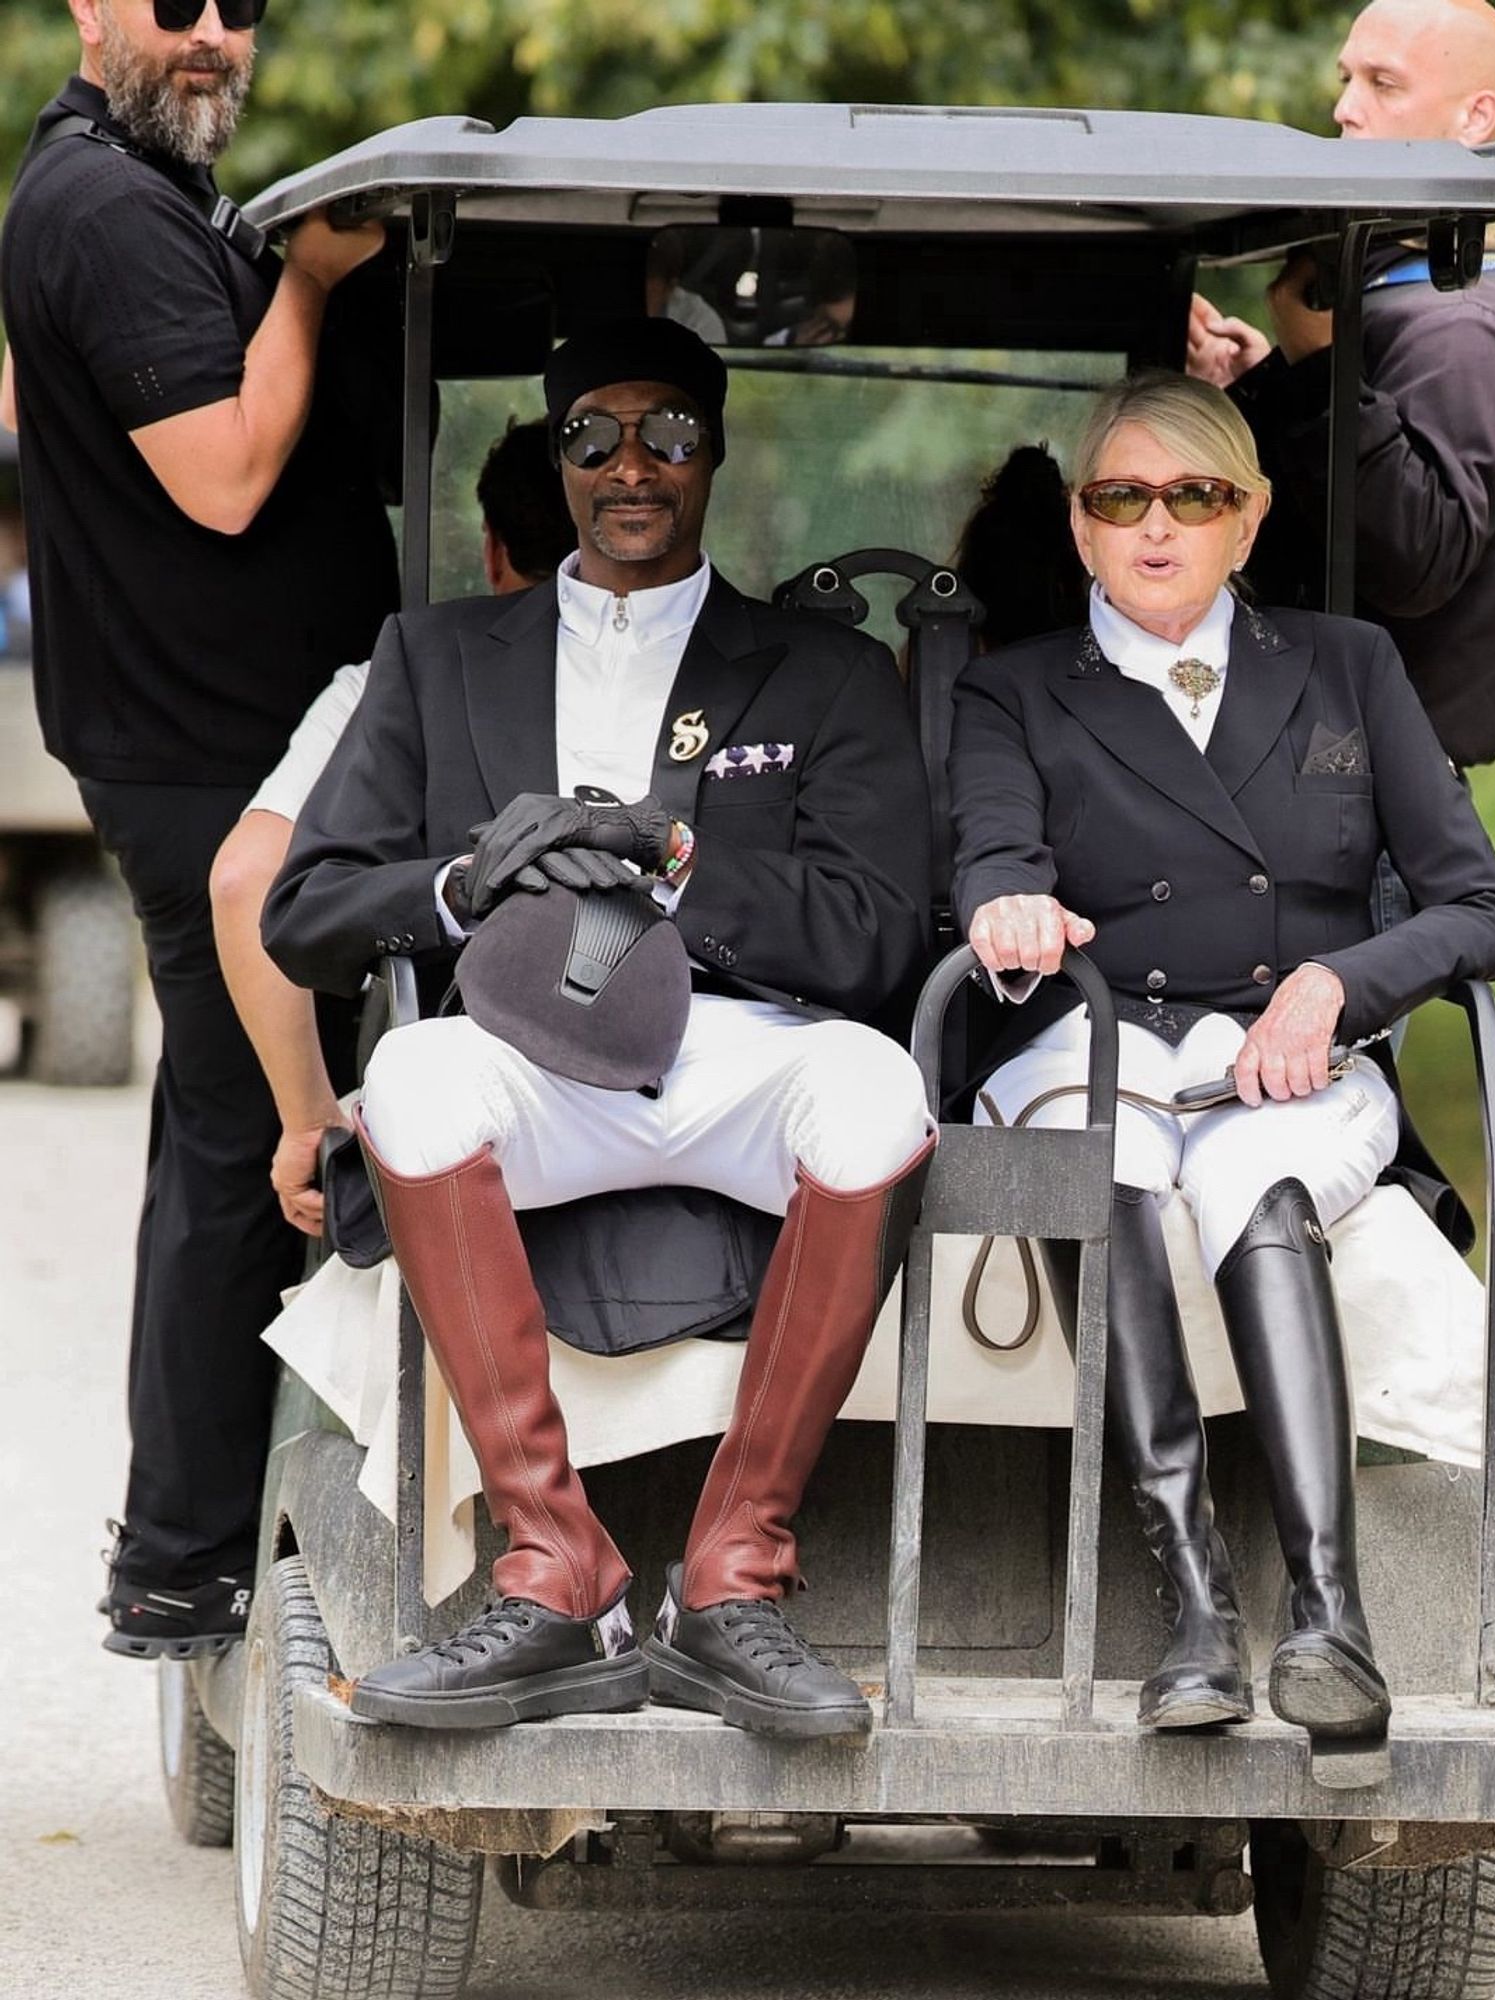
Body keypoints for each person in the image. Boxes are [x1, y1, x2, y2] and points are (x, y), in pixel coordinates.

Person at [263, 317, 936, 1740]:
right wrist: (464, 880)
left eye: (669, 435)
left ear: (715, 451)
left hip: (731, 1048)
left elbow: (879, 929)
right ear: (557, 456)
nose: (633, 466)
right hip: (530, 1062)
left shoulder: (814, 672)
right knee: (413, 1073)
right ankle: (556, 1562)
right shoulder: (438, 656)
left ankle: (735, 1577)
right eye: (595, 436)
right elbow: (305, 911)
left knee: (875, 1090)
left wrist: (678, 859)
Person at [948, 371, 1495, 1742]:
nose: (1158, 527)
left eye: (1193, 496)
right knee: (1115, 1161)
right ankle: (1195, 1601)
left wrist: (1334, 980)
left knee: (1259, 1181)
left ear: (1247, 522)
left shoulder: (1344, 665)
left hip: (1285, 1047)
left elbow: (1480, 907)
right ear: (1081, 529)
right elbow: (989, 855)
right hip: (1091, 1030)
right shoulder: (1013, 688)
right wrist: (1010, 908)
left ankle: (1331, 1617)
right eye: (1121, 498)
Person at [0, 0, 397, 1657]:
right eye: (179, 6)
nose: (217, 34)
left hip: (224, 752)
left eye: (243, 7)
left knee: (228, 1135)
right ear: (95, 9)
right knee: (252, 1144)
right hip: (210, 771)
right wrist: (307, 281)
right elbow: (227, 474)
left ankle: (188, 1542)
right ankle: (185, 1562)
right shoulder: (100, 206)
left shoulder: (136, 198)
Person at [210, 418, 576, 1237]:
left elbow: (244, 882)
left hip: (458, 1115)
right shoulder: (711, 675)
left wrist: (311, 1119)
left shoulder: (396, 677)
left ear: (491, 546)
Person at [1186, 0, 1495, 771]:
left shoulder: (1464, 320)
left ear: (1475, 117)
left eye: (1383, 84)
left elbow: (1413, 561)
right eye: (1347, 78)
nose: (1343, 108)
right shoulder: (1426, 295)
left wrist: (1321, 369)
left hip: (1372, 795)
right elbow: (1342, 514)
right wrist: (1273, 378)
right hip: (1344, 772)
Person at [951, 443, 1088, 650]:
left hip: (996, 633)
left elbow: (968, 580)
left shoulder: (988, 524)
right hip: (1053, 636)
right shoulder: (1063, 528)